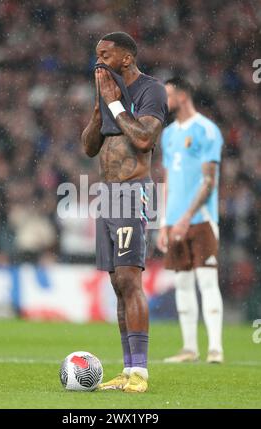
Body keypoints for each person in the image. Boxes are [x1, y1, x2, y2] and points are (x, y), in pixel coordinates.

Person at [82, 32, 167, 392]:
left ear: (126, 59)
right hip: (108, 195)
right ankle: (128, 370)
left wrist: (116, 105)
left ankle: (141, 374)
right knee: (118, 284)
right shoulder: (105, 92)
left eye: (105, 55)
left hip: (134, 193)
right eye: (96, 55)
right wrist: (101, 108)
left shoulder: (151, 91)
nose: (98, 61)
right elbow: (89, 147)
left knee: (131, 280)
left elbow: (145, 139)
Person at [157, 77, 224, 364]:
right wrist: (164, 221)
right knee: (182, 283)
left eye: (168, 94)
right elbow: (168, 180)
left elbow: (209, 181)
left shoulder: (207, 130)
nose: (165, 100)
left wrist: (186, 216)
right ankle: (189, 348)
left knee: (207, 281)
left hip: (201, 219)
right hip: (175, 221)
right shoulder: (168, 134)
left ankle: (215, 349)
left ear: (183, 96)